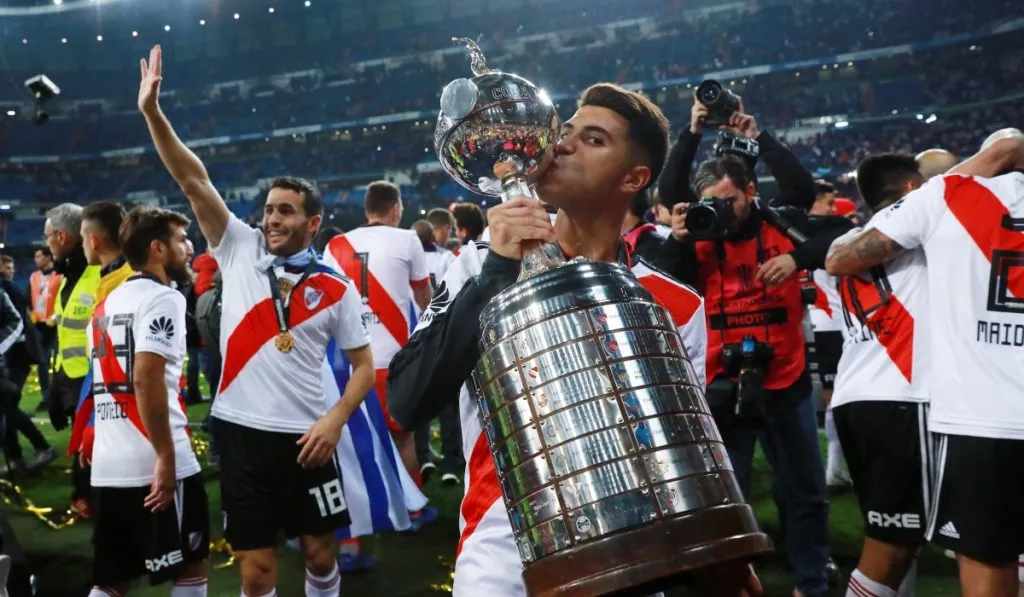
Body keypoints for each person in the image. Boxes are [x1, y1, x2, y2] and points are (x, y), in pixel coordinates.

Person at [388, 82, 761, 597]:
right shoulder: (478, 264)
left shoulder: (675, 304)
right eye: (565, 131)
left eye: (593, 139)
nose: (562, 145)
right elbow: (407, 400)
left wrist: (726, 559)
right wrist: (499, 269)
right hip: (504, 557)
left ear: (634, 177)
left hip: (638, 558)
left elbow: (685, 451)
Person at [138, 44, 374, 597]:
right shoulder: (238, 247)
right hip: (239, 435)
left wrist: (335, 419)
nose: (270, 218)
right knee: (256, 570)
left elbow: (362, 367)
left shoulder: (335, 287)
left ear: (312, 222)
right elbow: (193, 181)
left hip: (308, 436)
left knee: (320, 554)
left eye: (285, 211)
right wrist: (152, 112)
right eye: (268, 209)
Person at [825, 130, 1024, 597]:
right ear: (915, 186)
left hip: (864, 396)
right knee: (895, 546)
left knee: (901, 544)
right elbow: (1006, 149)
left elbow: (835, 260)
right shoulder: (943, 208)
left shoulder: (856, 235)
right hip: (908, 398)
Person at [86, 206, 209, 597]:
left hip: (109, 467)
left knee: (112, 582)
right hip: (156, 462)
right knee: (191, 569)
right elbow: (146, 378)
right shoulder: (163, 299)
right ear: (157, 249)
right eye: (181, 240)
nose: (190, 248)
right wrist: (167, 459)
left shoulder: (104, 305)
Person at [323, 181, 432, 490]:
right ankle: (411, 507)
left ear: (367, 209)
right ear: (396, 209)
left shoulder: (336, 246)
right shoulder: (408, 239)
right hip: (393, 358)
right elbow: (426, 299)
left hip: (351, 359)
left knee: (357, 439)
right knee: (403, 437)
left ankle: (372, 505)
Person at [44, 202, 102, 517]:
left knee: (91, 442)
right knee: (80, 441)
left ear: (63, 236)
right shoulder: (69, 277)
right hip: (70, 375)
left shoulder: (98, 275)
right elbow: (66, 334)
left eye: (48, 235)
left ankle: (90, 497)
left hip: (92, 378)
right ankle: (84, 494)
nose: (46, 242)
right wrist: (56, 383)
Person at [408, 219, 462, 485]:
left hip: (414, 337)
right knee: (447, 403)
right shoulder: (447, 258)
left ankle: (424, 457)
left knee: (420, 401)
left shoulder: (405, 259)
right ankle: (452, 462)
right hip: (442, 336)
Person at [0, 257, 54, 475]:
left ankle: (38, 448)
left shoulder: (7, 288)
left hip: (17, 355)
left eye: (12, 267)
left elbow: (18, 321)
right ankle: (17, 456)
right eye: (8, 267)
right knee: (5, 406)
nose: (11, 271)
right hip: (13, 355)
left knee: (7, 405)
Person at [81, 201, 135, 302]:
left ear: (93, 241)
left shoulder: (123, 283)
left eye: (83, 238)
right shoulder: (130, 273)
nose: (82, 245)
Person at [28, 246, 61, 406]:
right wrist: (31, 315)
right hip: (39, 326)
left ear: (49, 257)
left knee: (57, 362)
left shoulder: (59, 275)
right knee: (42, 362)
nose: (36, 260)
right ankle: (47, 397)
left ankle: (58, 395)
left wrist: (55, 317)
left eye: (39, 256)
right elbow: (28, 299)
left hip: (56, 325)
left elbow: (63, 299)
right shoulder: (33, 277)